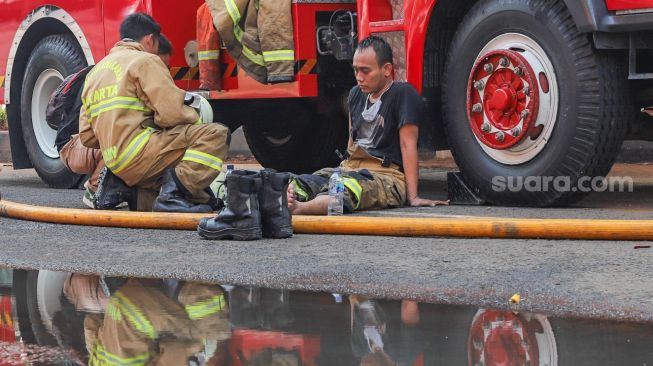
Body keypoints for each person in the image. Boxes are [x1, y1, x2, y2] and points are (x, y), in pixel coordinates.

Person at [79, 13, 231, 213]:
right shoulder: (145, 60)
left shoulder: (95, 73)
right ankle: (173, 196)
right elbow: (172, 114)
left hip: (114, 163)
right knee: (215, 134)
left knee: (194, 198)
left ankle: (137, 196)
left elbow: (87, 136)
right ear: (150, 39)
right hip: (139, 154)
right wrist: (197, 117)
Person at [287, 36, 448, 215]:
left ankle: (300, 208)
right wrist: (340, 170)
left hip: (385, 176)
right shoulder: (354, 95)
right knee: (301, 182)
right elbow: (351, 141)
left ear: (386, 69)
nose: (359, 77)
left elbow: (407, 145)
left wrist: (413, 197)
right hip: (350, 168)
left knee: (343, 189)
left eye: (365, 71)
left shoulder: (402, 94)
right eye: (356, 70)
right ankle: (286, 202)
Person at [56, 34, 174, 209]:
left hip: (87, 142)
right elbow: (95, 132)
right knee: (122, 139)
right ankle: (94, 190)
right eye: (163, 65)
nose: (164, 72)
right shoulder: (111, 74)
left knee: (134, 138)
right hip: (73, 144)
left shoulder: (126, 70)